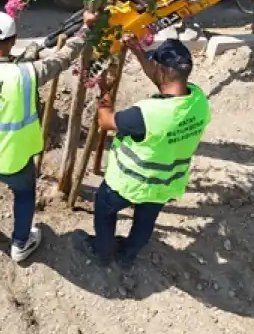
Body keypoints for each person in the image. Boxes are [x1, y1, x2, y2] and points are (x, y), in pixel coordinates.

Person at [0, 10, 98, 263]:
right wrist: (84, 31)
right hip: (14, 159)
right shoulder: (27, 75)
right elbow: (63, 58)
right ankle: (20, 243)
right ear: (13, 41)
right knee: (24, 195)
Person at [83, 35, 211, 269]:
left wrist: (104, 93)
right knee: (145, 221)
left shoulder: (147, 113)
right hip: (164, 184)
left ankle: (103, 251)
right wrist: (138, 52)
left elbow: (105, 121)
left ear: (162, 70)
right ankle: (127, 256)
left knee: (104, 207)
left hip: (129, 182)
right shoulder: (198, 100)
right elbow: (163, 83)